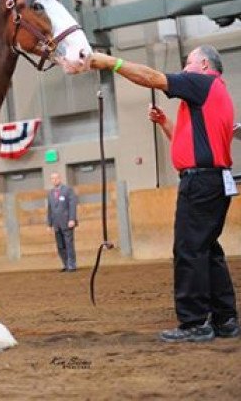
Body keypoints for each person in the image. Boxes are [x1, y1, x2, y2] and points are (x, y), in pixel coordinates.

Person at [90, 45, 239, 342]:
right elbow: (186, 146)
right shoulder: (214, 95)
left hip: (200, 184)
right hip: (213, 180)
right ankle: (225, 319)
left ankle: (195, 322)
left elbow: (152, 78)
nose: (184, 69)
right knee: (208, 250)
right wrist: (164, 123)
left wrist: (111, 62)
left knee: (188, 250)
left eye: (188, 63)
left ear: (205, 65)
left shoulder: (202, 83)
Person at [46, 172, 78, 272]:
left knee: (69, 244)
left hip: (67, 222)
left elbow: (72, 205)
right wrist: (49, 223)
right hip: (56, 224)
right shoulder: (50, 193)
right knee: (60, 245)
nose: (54, 180)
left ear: (60, 179)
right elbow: (50, 209)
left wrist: (72, 219)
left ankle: (71, 264)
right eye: (52, 179)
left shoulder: (68, 190)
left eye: (56, 178)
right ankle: (65, 264)